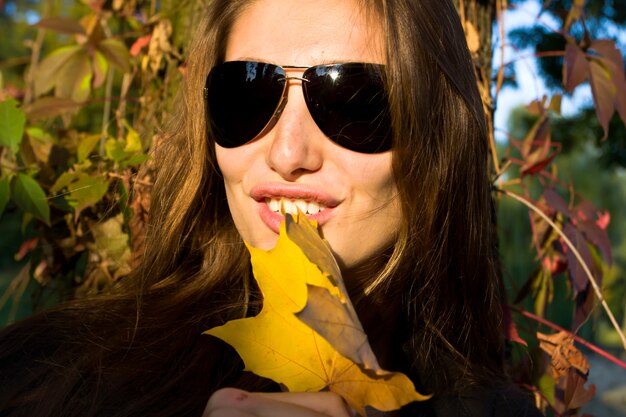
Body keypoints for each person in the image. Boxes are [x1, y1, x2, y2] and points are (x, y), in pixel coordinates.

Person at [0, 0, 543, 416]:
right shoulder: (52, 379)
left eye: (353, 100)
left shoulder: (494, 408)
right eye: (247, 93)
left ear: (439, 135)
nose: (287, 154)